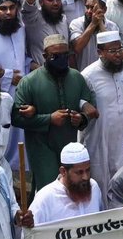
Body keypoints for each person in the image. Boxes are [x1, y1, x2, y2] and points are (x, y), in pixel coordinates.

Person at [12, 34, 98, 190]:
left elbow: (90, 106)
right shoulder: (29, 82)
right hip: (42, 149)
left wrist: (82, 118)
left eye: (65, 55)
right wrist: (49, 119)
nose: (61, 59)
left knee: (74, 190)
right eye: (55, 56)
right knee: (50, 190)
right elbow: (16, 118)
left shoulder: (76, 77)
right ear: (45, 56)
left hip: (70, 146)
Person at [78, 31, 123, 190]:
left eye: (119, 49)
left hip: (122, 136)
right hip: (99, 138)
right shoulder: (88, 75)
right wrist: (83, 105)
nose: (118, 55)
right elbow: (76, 98)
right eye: (112, 51)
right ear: (100, 53)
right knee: (101, 182)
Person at [30, 142, 105, 223]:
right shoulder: (45, 198)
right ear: (63, 171)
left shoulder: (93, 187)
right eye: (79, 172)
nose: (85, 177)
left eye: (88, 170)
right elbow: (31, 234)